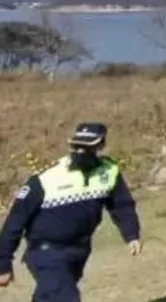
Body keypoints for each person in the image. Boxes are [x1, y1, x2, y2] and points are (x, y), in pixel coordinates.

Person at [0, 123, 142, 300]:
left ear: (100, 146)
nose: (81, 152)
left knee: (50, 296)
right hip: (46, 252)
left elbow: (121, 205)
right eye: (77, 146)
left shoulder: (108, 171)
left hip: (79, 250)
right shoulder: (45, 179)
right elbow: (15, 220)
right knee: (66, 297)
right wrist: (3, 262)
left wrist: (131, 234)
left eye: (87, 147)